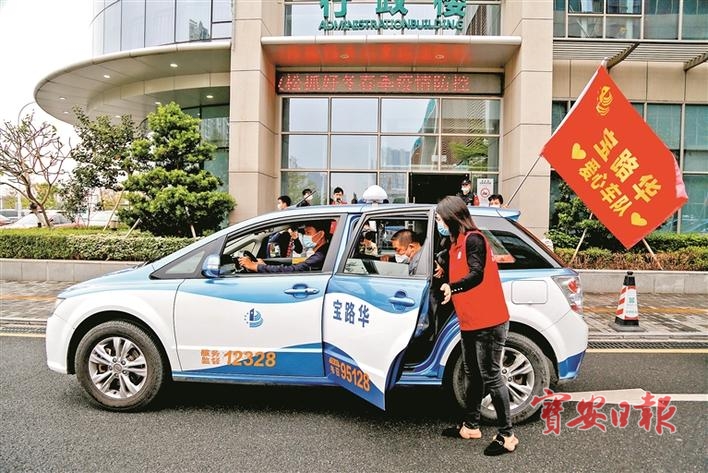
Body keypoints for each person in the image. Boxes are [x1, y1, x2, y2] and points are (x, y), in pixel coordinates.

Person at [436, 195, 517, 456]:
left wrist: (453, 286)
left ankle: (507, 435)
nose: (438, 223)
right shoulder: (454, 243)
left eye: (439, 218)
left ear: (451, 217)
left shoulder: (474, 239)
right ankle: (471, 426)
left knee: (491, 375)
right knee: (473, 373)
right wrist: (442, 266)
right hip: (469, 319)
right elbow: (453, 263)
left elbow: (476, 274)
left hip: (489, 320)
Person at [239, 220, 329, 273]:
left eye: (308, 233)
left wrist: (255, 266)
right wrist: (264, 265)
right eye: (304, 233)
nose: (305, 236)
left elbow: (293, 270)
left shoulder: (320, 256)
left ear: (321, 234)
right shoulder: (323, 252)